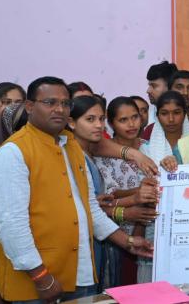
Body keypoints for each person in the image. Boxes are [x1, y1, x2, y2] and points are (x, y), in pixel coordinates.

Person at [0, 77, 153, 303]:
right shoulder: (13, 152)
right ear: (29, 106)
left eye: (65, 103)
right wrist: (40, 276)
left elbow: (89, 208)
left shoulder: (71, 145)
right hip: (37, 281)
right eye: (50, 102)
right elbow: (11, 224)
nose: (59, 109)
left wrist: (128, 242)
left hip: (80, 274)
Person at [94, 97, 159, 286]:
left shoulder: (151, 147)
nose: (131, 124)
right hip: (116, 238)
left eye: (135, 117)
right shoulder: (102, 155)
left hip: (152, 233)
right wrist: (138, 194)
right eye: (123, 120)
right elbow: (106, 198)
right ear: (111, 123)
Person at [68, 95, 111, 291]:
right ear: (71, 123)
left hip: (96, 237)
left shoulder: (86, 153)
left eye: (101, 119)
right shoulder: (73, 155)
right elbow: (85, 204)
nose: (99, 125)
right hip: (82, 242)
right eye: (90, 119)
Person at [144, 91, 189, 165]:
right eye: (164, 113)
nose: (171, 119)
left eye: (176, 113)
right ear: (157, 116)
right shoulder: (145, 149)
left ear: (184, 114)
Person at [143, 60, 178, 134]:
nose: (148, 91)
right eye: (149, 85)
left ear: (170, 87)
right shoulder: (145, 116)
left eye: (154, 86)